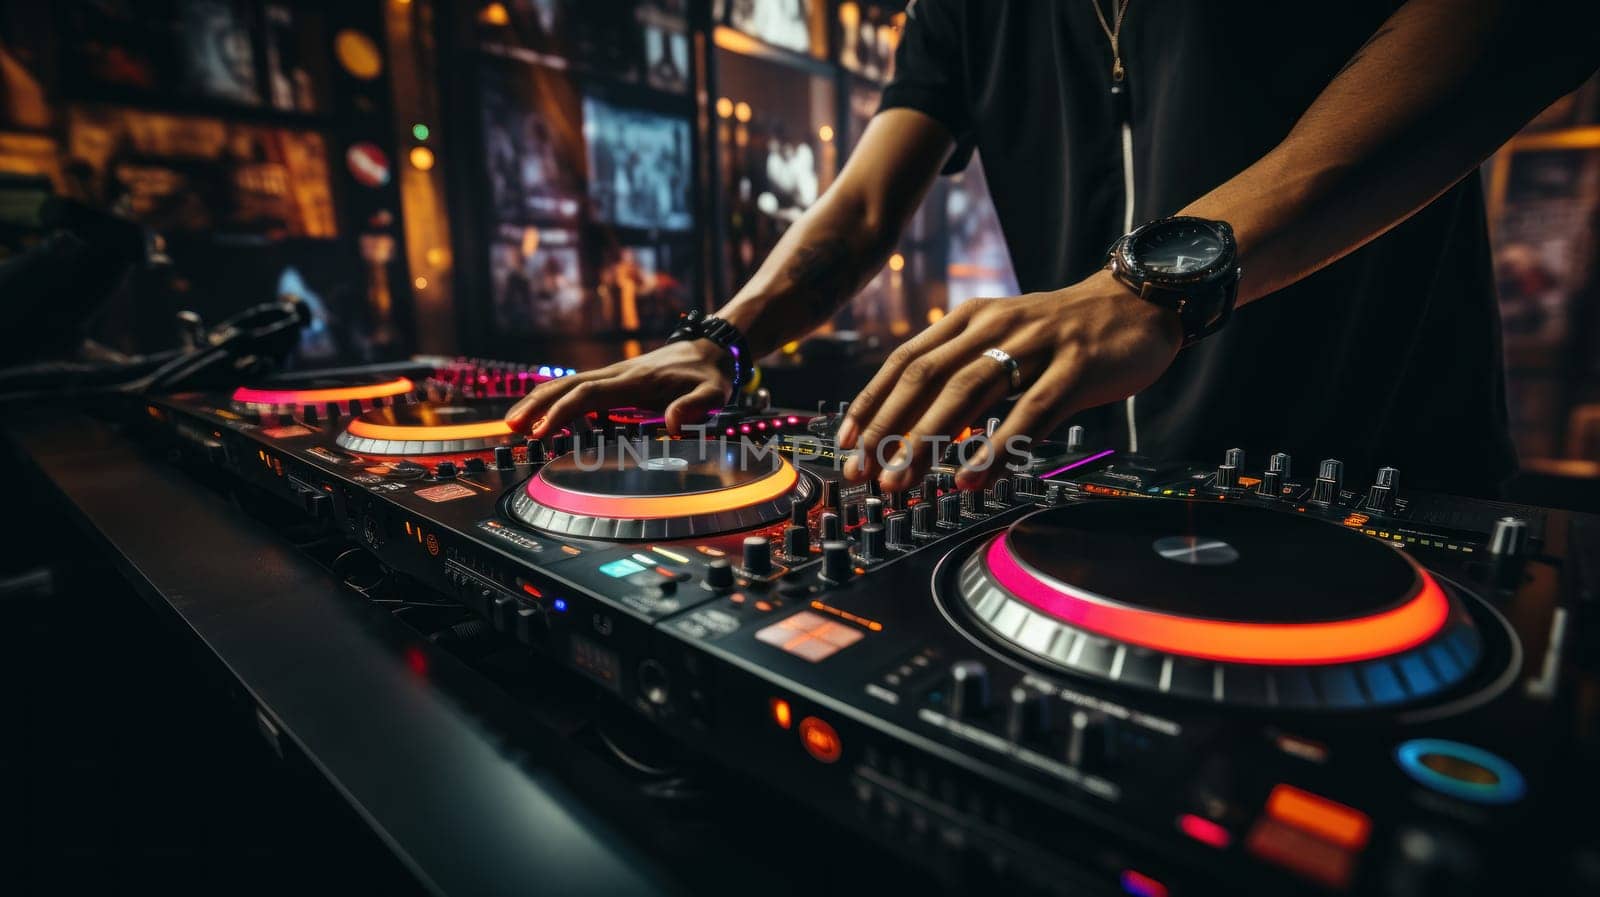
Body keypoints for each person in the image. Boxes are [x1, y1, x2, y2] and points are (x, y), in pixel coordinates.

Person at [509, 0, 1599, 497]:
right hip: (1116, 491)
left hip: (1390, 484)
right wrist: (723, 341)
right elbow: (858, 209)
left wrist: (1153, 288)